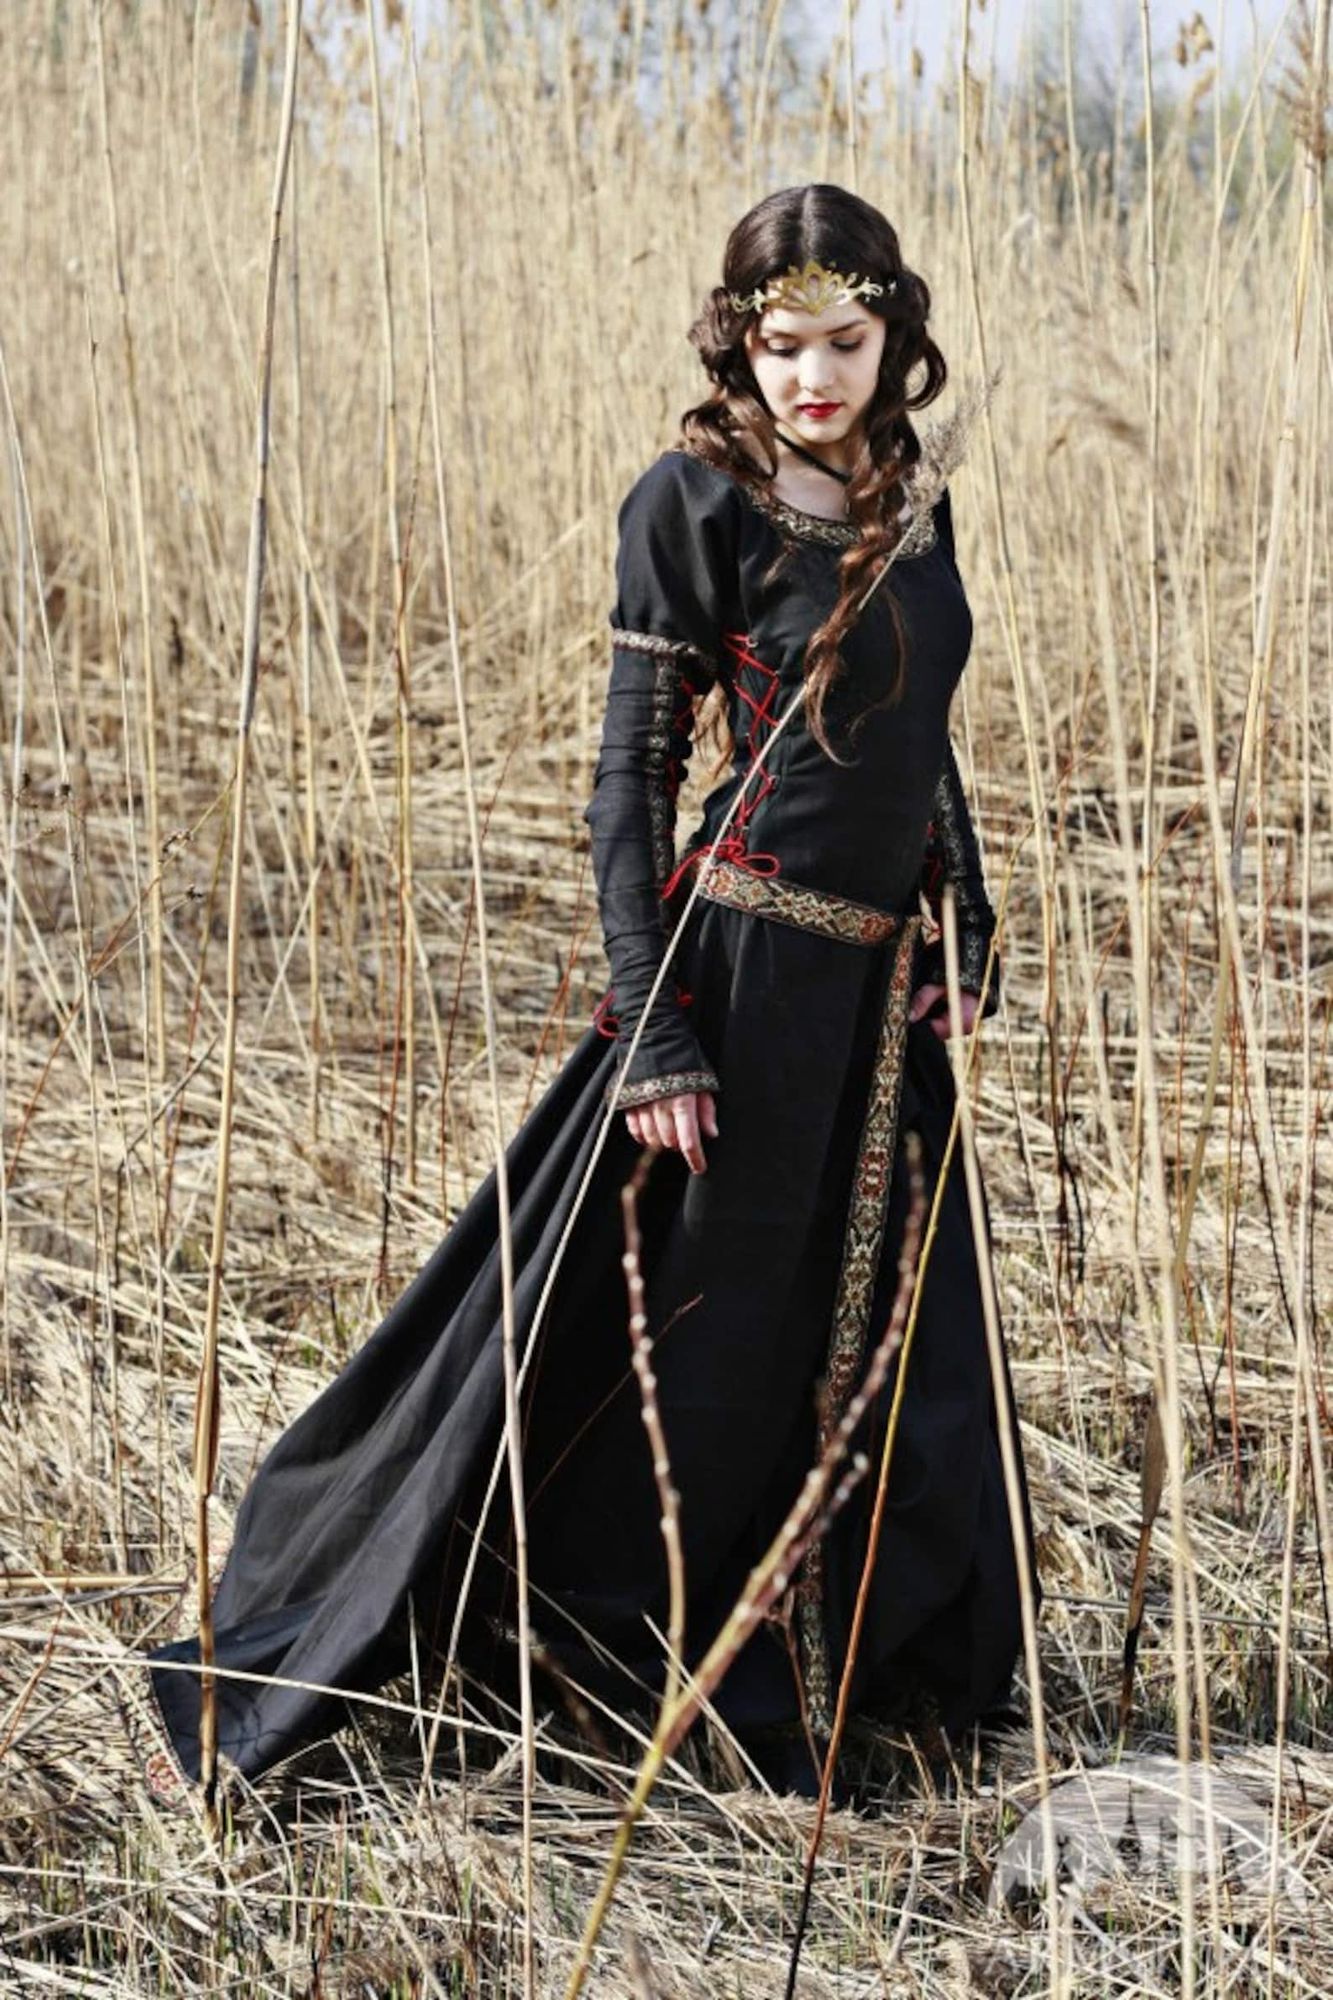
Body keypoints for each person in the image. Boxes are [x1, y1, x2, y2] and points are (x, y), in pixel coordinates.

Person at [144, 182, 1038, 1805]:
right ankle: (605, 1666)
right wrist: (652, 1028)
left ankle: (837, 1671)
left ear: (892, 336)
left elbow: (924, 745)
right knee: (687, 1352)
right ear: (740, 346)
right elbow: (625, 788)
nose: (813, 377)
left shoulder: (913, 503)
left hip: (872, 999)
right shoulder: (690, 503)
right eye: (781, 347)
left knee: (871, 1353)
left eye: (844, 342)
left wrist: (962, 923)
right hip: (742, 971)